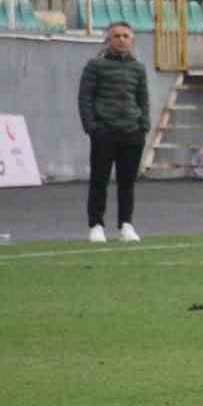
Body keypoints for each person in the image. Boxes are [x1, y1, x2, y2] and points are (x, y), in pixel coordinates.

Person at [78, 21, 149, 244]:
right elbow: (85, 98)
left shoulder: (138, 68)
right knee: (99, 181)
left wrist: (144, 125)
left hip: (132, 131)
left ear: (132, 39)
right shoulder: (95, 65)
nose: (121, 39)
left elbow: (143, 98)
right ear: (108, 39)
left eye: (125, 36)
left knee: (127, 182)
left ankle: (126, 225)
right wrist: (91, 127)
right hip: (104, 130)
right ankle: (96, 225)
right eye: (116, 36)